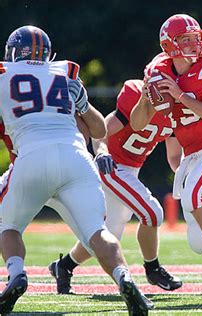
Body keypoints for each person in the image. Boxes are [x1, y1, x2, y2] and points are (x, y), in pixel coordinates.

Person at [0, 26, 150, 315]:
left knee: (8, 225)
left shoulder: (4, 74)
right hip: (77, 159)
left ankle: (17, 274)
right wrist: (81, 102)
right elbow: (99, 129)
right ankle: (124, 278)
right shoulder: (63, 74)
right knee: (97, 231)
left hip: (30, 159)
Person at [130, 14, 202, 303]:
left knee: (195, 197)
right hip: (193, 155)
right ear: (169, 46)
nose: (194, 44)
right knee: (198, 242)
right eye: (185, 39)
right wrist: (145, 98)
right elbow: (136, 124)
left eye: (195, 38)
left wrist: (181, 95)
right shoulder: (157, 71)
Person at [47, 79, 183, 295]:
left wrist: (186, 173)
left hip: (131, 170)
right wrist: (101, 152)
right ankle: (153, 267)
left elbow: (174, 156)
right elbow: (102, 132)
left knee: (108, 235)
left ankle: (64, 267)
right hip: (112, 167)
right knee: (153, 212)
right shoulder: (135, 96)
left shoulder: (178, 110)